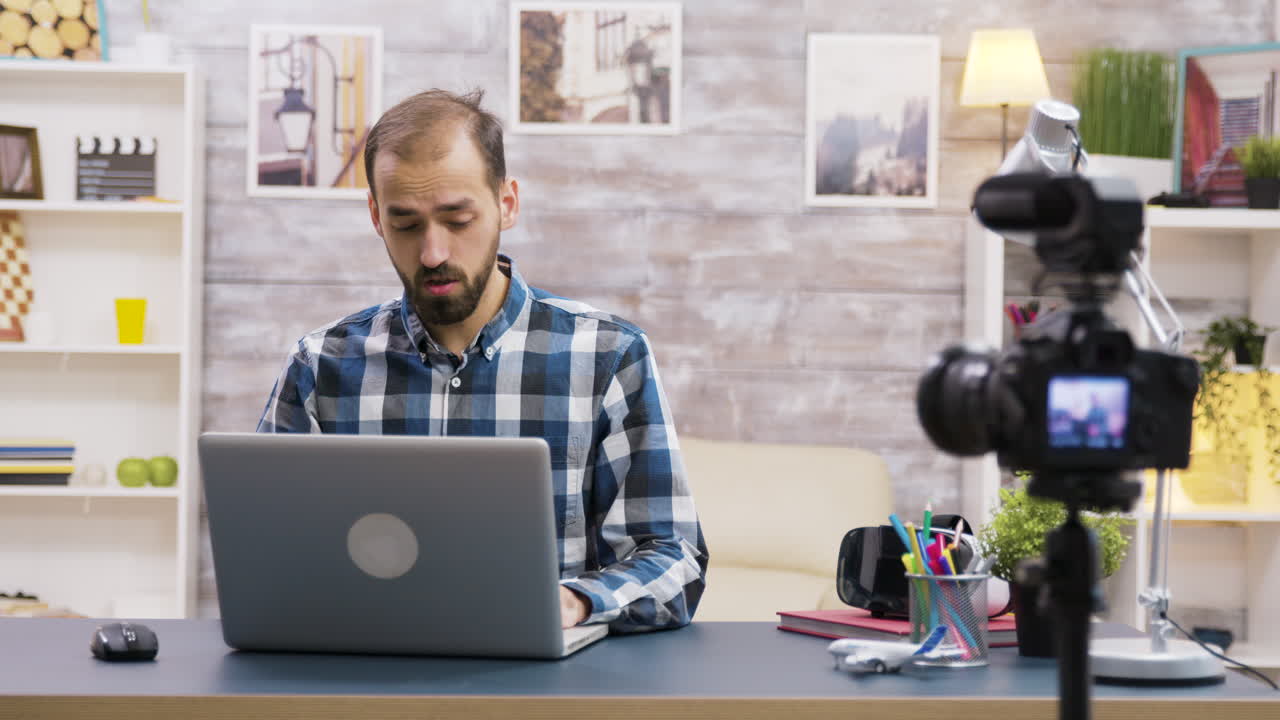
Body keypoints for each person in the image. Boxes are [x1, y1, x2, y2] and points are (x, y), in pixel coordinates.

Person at [256, 89, 708, 633]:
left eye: (458, 219)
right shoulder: (319, 366)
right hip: (367, 675)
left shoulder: (609, 356)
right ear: (376, 216)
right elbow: (266, 560)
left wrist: (574, 602)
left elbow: (671, 557)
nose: (433, 253)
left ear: (507, 204)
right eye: (406, 224)